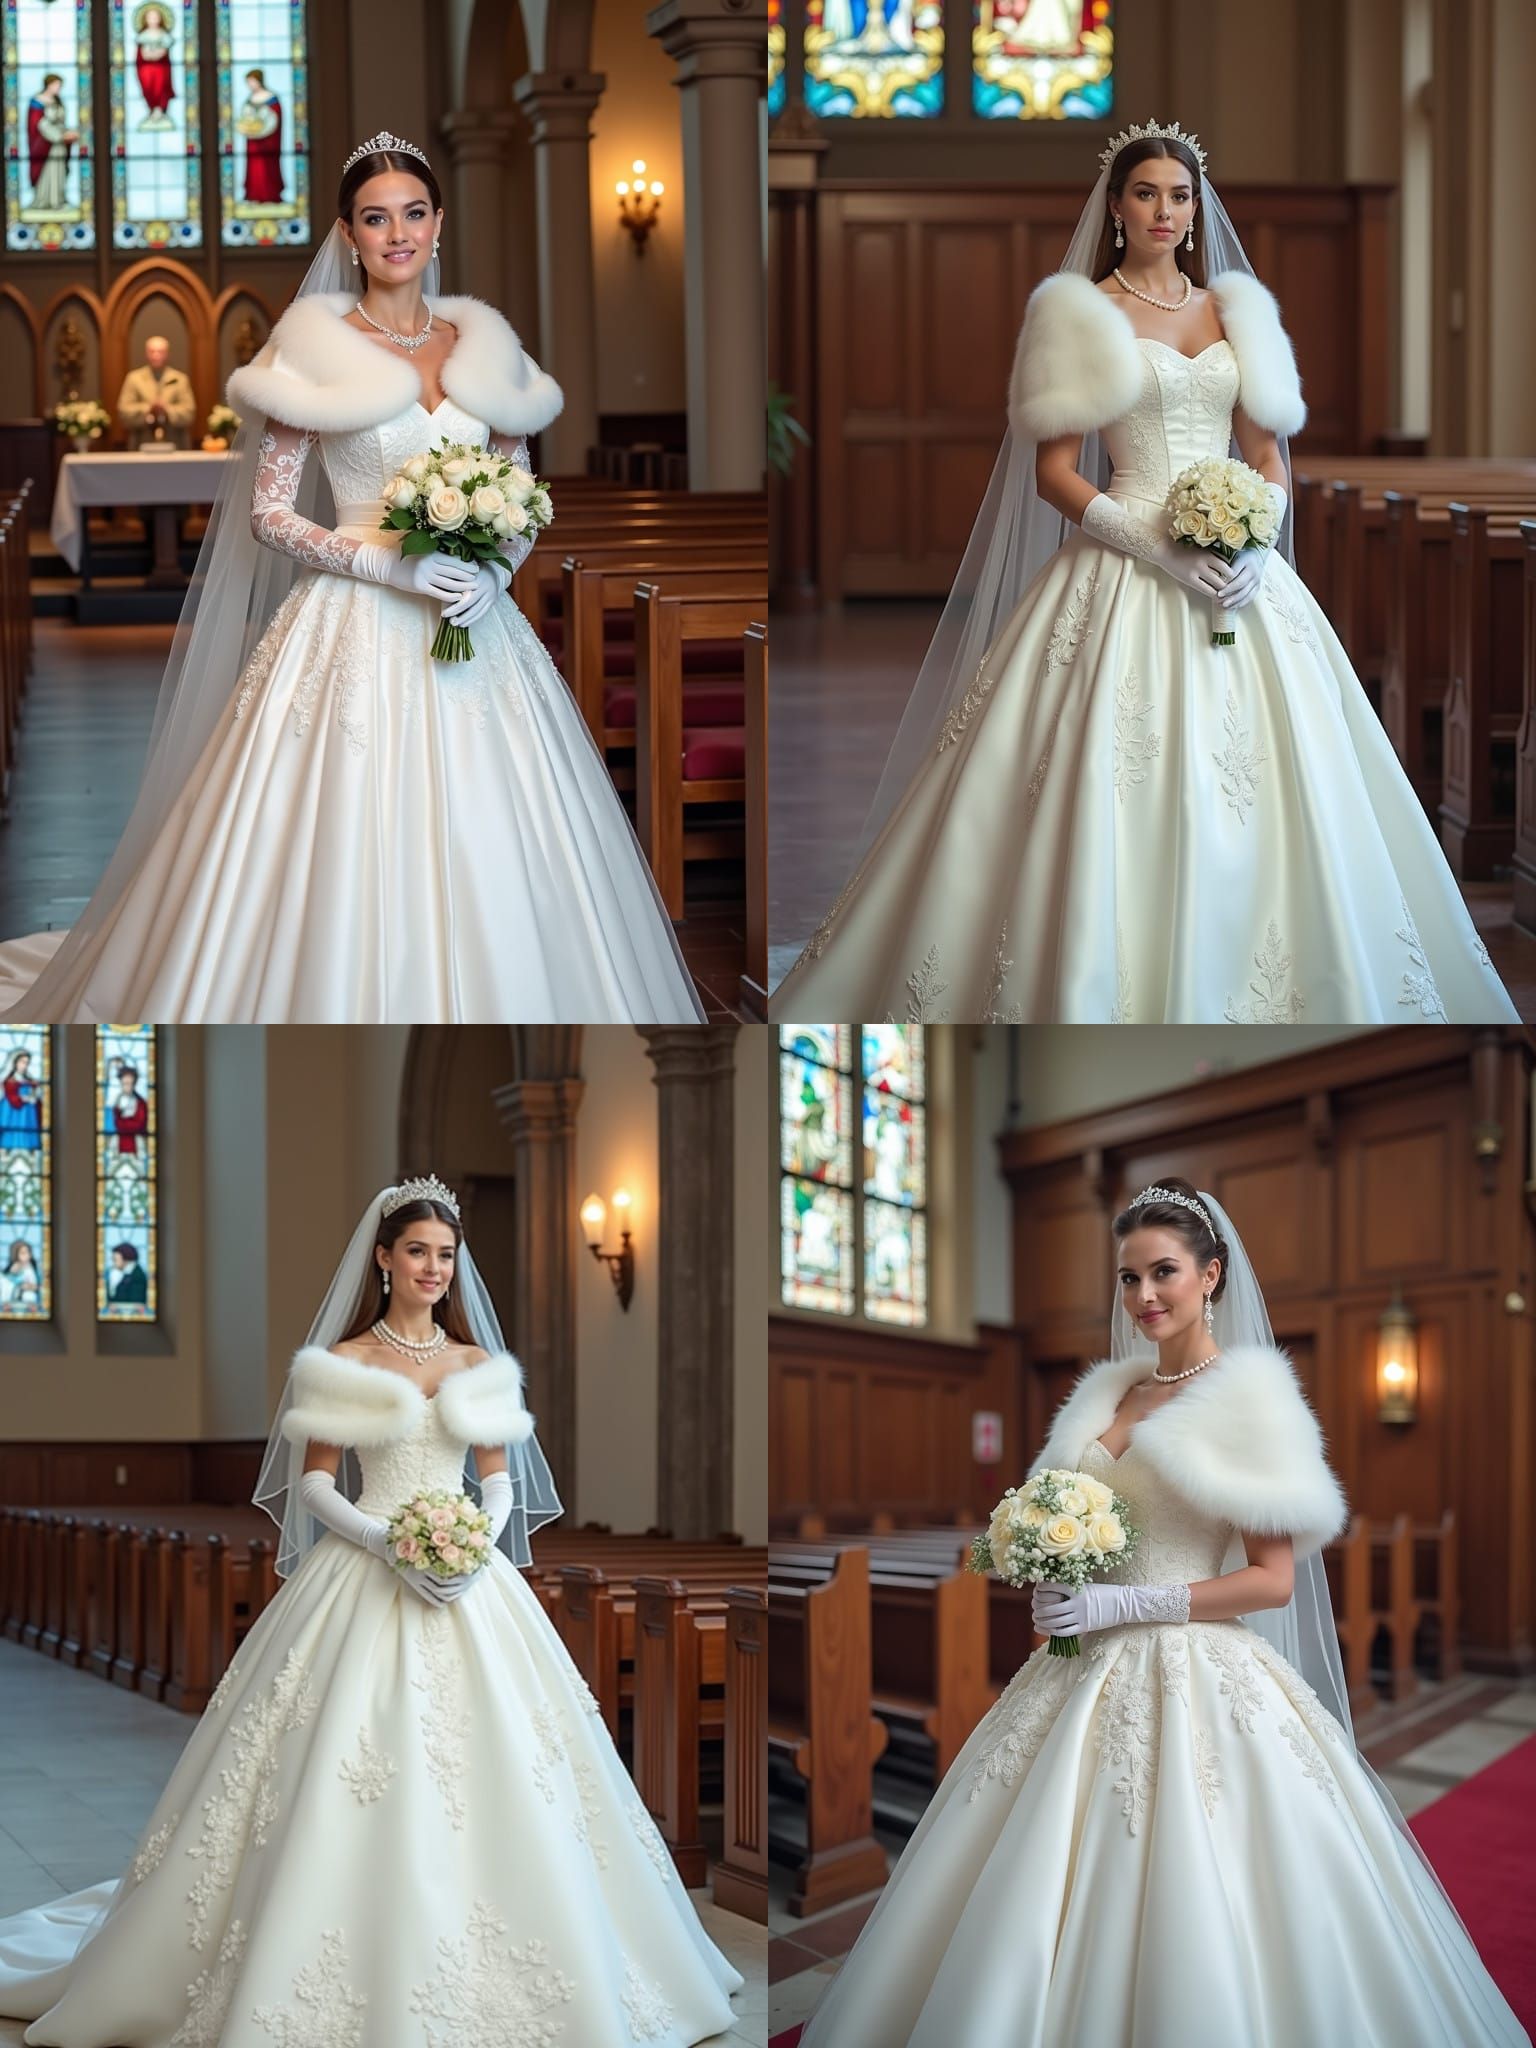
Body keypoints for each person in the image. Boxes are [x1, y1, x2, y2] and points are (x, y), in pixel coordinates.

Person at [771, 119, 1520, 1027]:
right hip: (1124, 565)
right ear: (1116, 207)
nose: (1164, 211)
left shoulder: (1238, 311)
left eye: (1179, 196)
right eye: (1145, 194)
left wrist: (1255, 536)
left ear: (1197, 211)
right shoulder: (1078, 312)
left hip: (1242, 576)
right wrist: (1159, 546)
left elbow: (1270, 455)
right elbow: (1054, 472)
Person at [0, 1174, 744, 2045]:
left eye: (448, 1256)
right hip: (365, 1568)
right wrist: (388, 1542)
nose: (435, 1268)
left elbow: (500, 1485)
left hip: (470, 1580)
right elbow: (315, 1482)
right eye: (420, 1252)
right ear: (385, 1258)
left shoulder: (480, 1366)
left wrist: (470, 1543)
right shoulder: (344, 1361)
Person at [797, 1179, 1530, 2047]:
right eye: (1128, 1277)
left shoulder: (1250, 1401)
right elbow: (1077, 1518)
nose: (1144, 1296)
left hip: (1197, 1666)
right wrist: (1051, 1573)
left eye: (1165, 1273)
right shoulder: (1111, 1395)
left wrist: (1132, 1598)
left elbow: (1270, 1582)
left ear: (1212, 1274)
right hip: (1081, 1669)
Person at [0, 132, 704, 1024]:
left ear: (439, 224)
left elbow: (522, 490)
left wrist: (497, 576)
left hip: (474, 621)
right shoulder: (314, 351)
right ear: (349, 233)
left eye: (413, 213)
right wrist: (382, 560)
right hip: (352, 618)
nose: (397, 233)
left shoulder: (483, 345)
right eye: (377, 219)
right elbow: (271, 510)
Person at [116, 336, 196, 450]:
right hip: (140, 443)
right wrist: (148, 409)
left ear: (167, 354)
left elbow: (189, 413)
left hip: (176, 444)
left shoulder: (180, 379)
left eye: (160, 352)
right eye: (152, 351)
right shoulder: (134, 379)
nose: (156, 355)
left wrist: (166, 410)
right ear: (146, 353)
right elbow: (124, 411)